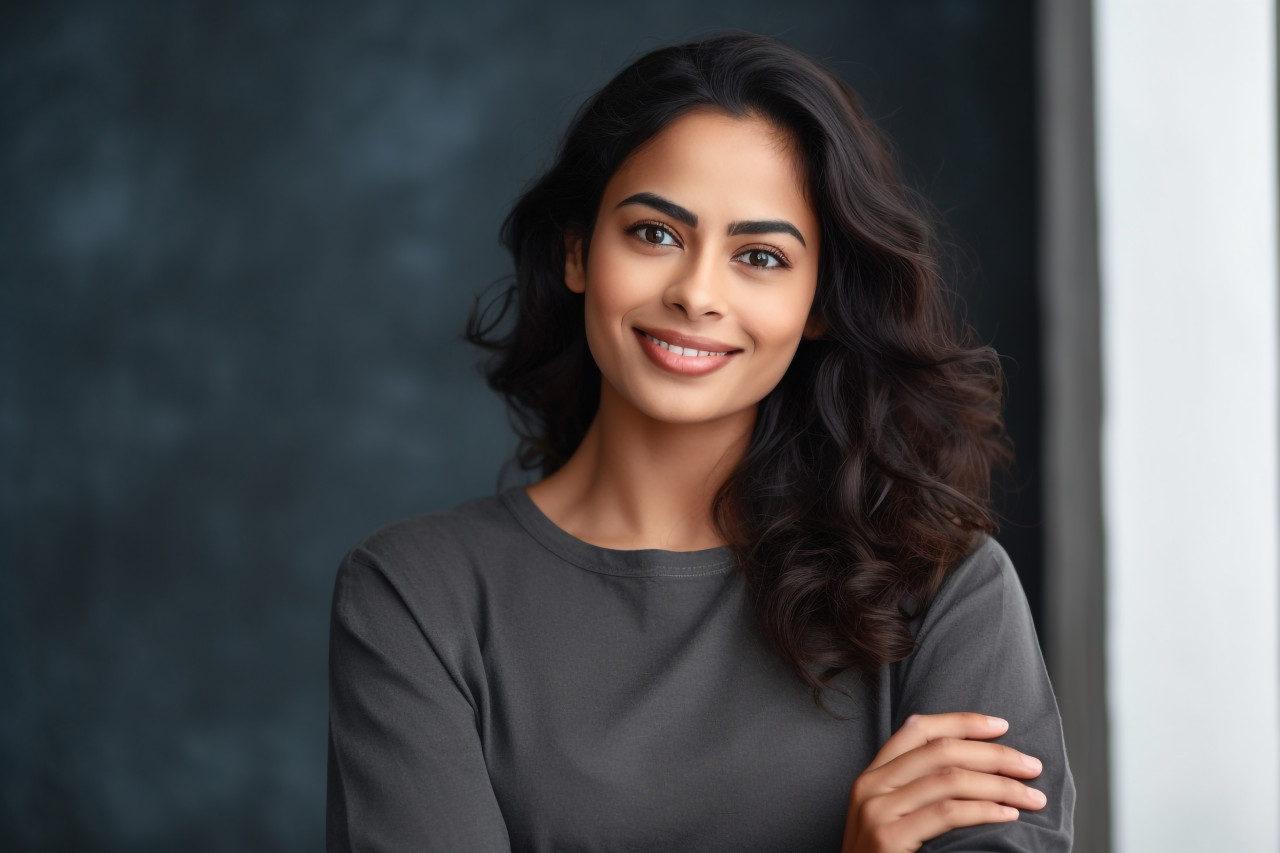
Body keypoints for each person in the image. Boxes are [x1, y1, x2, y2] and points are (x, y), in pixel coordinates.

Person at [326, 32, 1074, 852]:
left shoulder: (942, 590)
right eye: (655, 234)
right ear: (579, 250)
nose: (697, 293)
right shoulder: (417, 595)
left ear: (819, 303)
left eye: (759, 256)